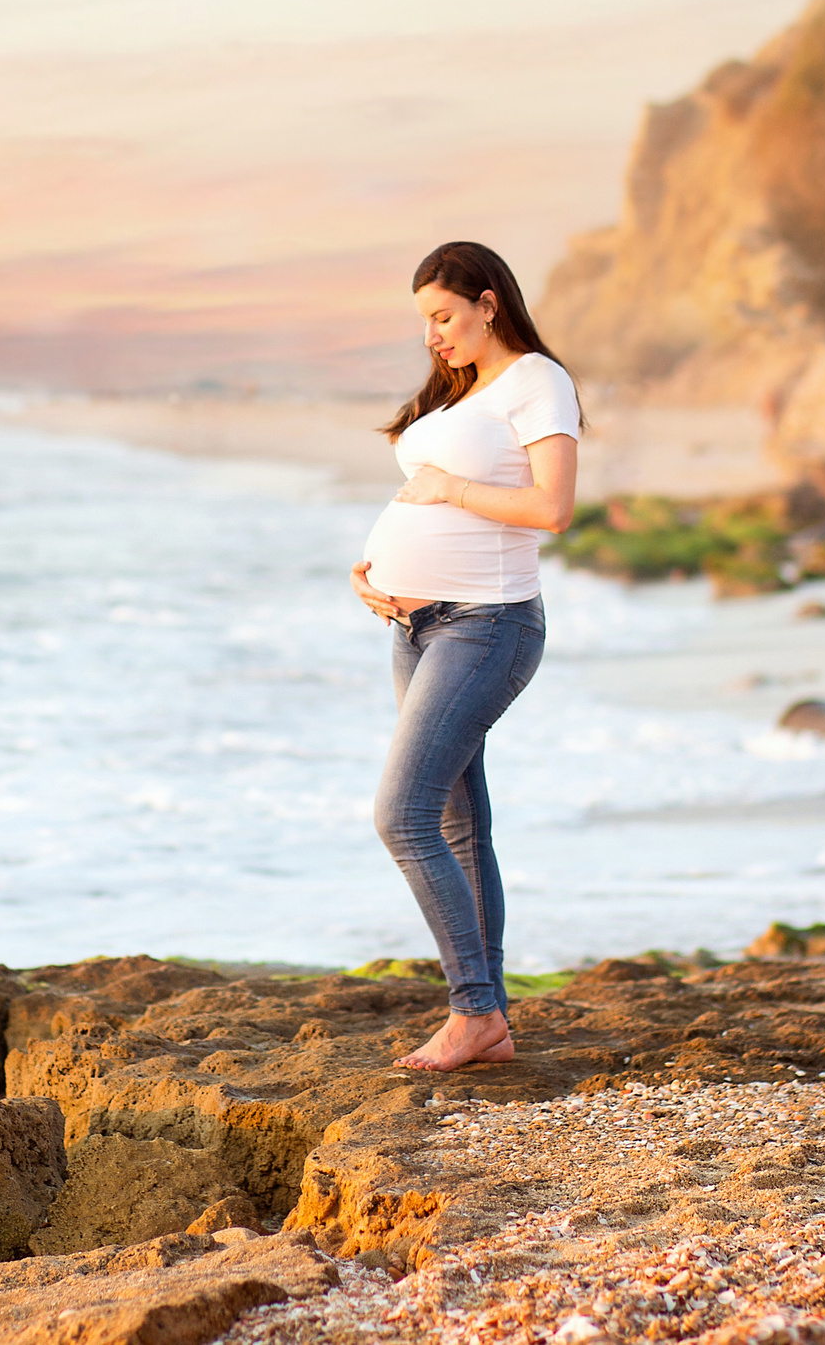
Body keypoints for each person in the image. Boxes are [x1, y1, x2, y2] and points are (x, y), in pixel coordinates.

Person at [349, 241, 580, 1071]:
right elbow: (418, 500)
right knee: (456, 820)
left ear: (489, 302)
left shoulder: (537, 381)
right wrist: (374, 572)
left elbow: (552, 507)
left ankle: (473, 1010)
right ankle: (492, 1023)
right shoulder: (461, 393)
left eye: (443, 316)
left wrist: (447, 490)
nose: (433, 335)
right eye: (424, 321)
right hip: (417, 627)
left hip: (488, 624)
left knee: (401, 814)